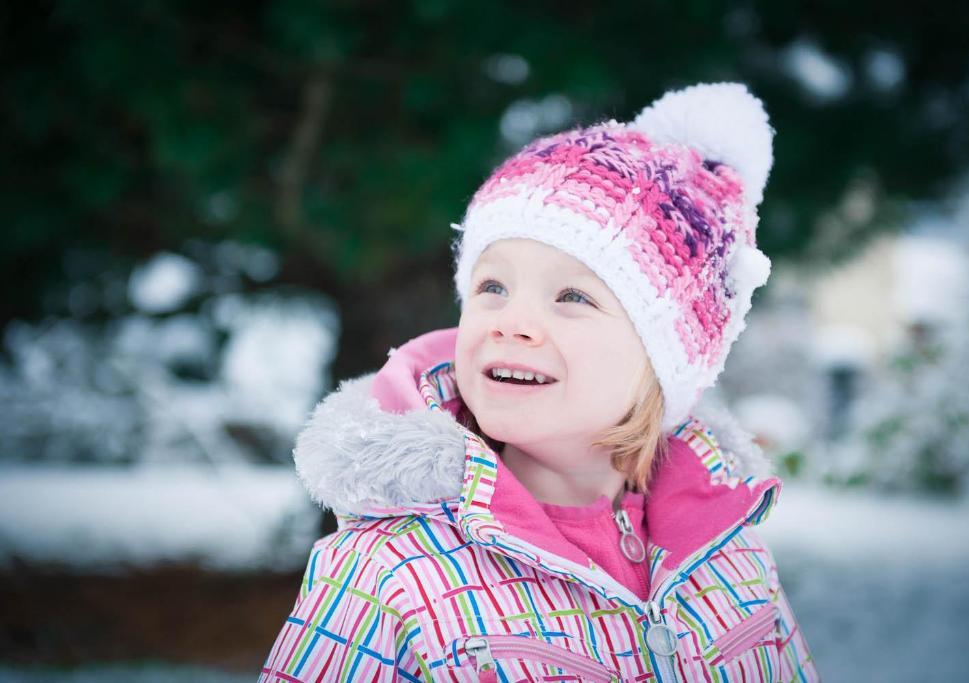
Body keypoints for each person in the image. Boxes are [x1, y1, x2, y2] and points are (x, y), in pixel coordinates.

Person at [259, 82, 819, 682]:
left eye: (572, 296)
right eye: (492, 288)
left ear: (669, 358)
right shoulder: (391, 573)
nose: (513, 323)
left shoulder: (728, 553)